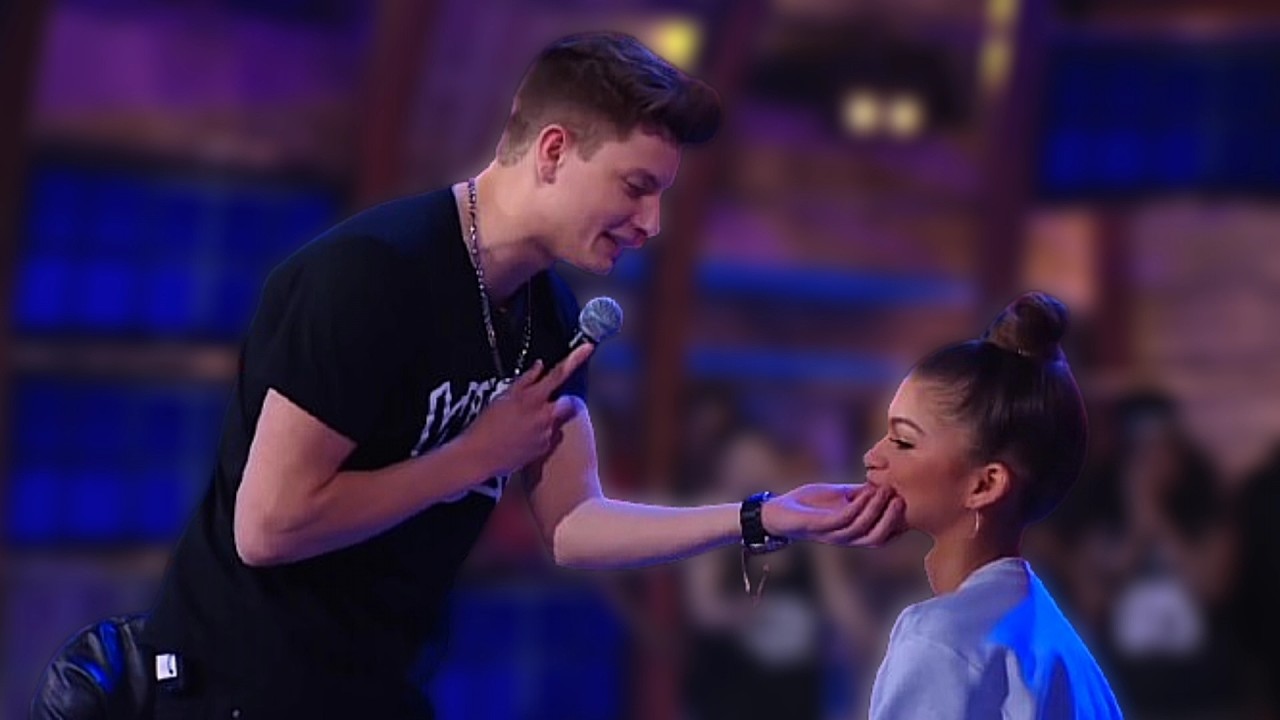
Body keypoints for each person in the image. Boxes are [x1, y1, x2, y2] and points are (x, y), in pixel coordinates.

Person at [117, 32, 905, 719]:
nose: (652, 223)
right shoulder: (371, 275)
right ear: (554, 151)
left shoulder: (550, 315)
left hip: (377, 689)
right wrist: (471, 458)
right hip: (240, 691)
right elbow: (269, 528)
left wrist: (761, 516)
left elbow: (573, 524)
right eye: (637, 187)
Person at [862, 292, 1122, 719]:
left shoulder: (941, 639)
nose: (873, 456)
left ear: (986, 484)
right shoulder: (1057, 640)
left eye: (903, 441)